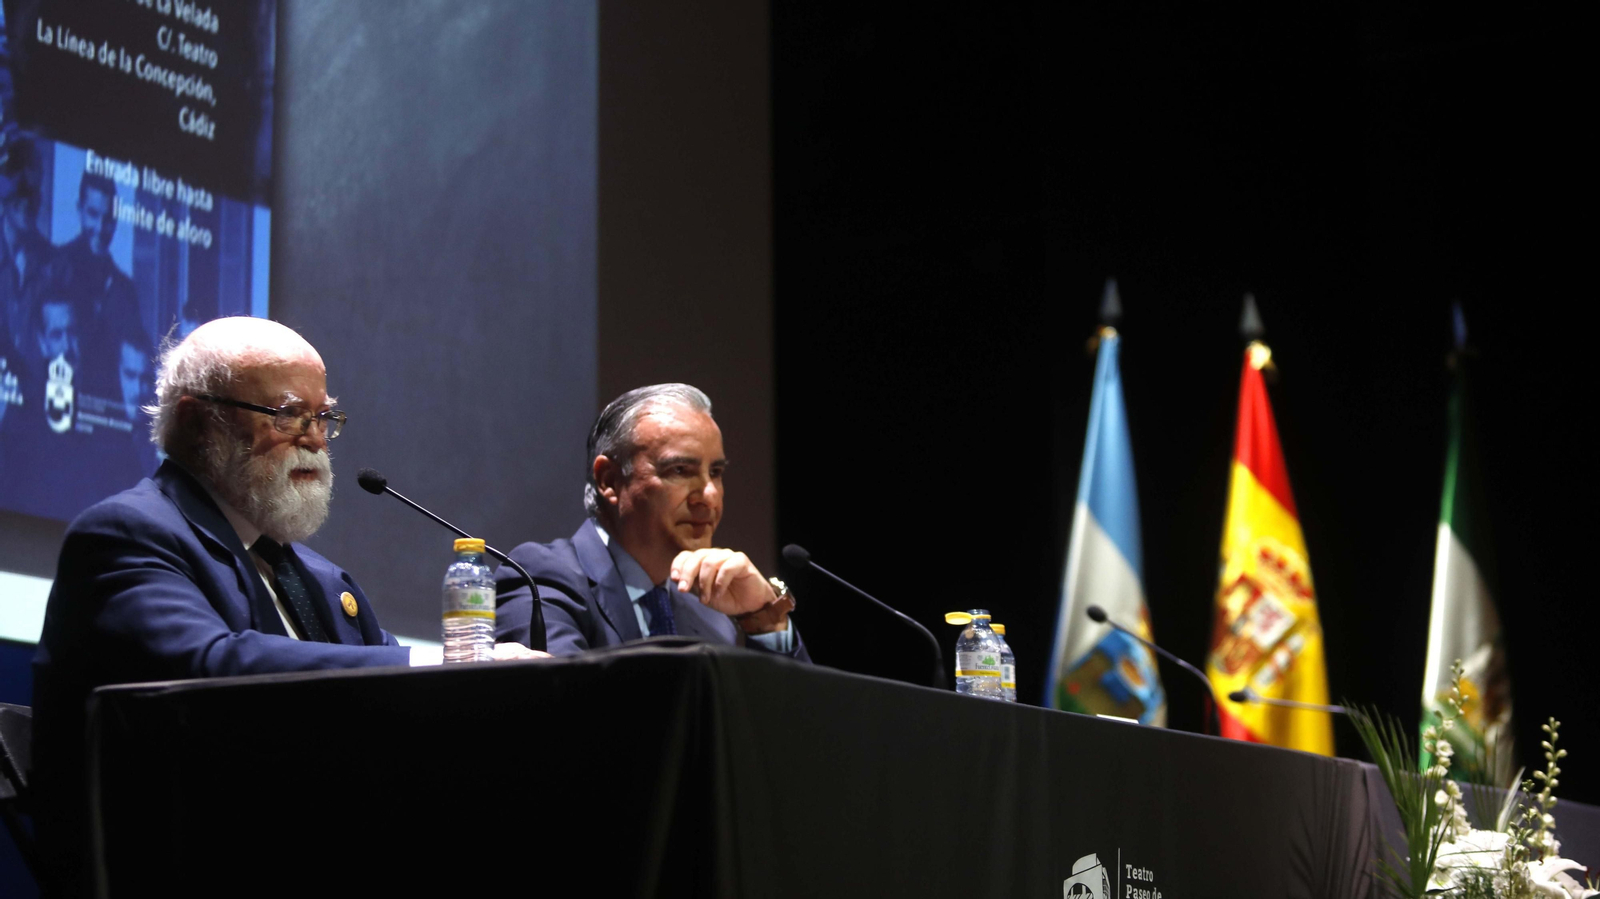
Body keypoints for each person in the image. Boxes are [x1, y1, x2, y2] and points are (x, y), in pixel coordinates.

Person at [30, 316, 543, 893]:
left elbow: (399, 702)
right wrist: (454, 663)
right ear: (202, 421)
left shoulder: (322, 581)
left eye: (324, 417)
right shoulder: (127, 533)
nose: (316, 439)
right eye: (289, 415)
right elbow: (210, 669)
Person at [496, 383, 808, 660]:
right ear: (610, 480)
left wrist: (766, 620)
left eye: (715, 473)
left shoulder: (711, 615)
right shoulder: (543, 579)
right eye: (680, 471)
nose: (709, 496)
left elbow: (788, 722)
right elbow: (556, 710)